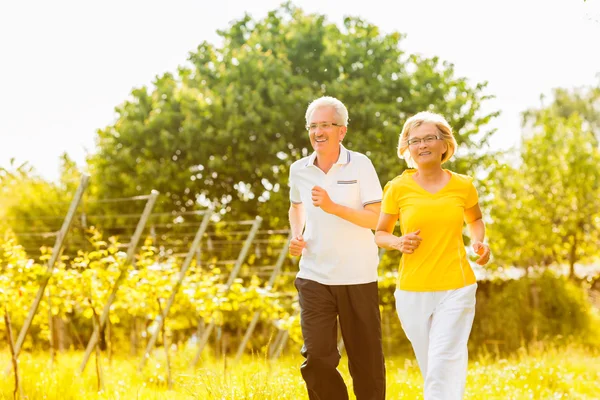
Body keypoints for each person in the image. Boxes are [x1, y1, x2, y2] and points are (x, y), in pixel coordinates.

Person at [374, 111, 491, 400]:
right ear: (408, 148)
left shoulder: (463, 185)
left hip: (457, 285)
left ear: (444, 145)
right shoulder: (397, 188)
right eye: (415, 140)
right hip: (412, 291)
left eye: (429, 138)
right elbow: (380, 233)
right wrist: (398, 242)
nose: (422, 145)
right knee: (432, 367)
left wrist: (479, 243)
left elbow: (475, 220)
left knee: (444, 361)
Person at [288, 96, 386, 400]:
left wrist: (333, 207)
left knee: (366, 363)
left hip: (358, 276)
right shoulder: (299, 169)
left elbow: (375, 218)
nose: (318, 132)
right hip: (315, 275)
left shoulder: (361, 164)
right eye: (313, 126)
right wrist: (296, 234)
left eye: (325, 125)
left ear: (341, 131)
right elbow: (296, 207)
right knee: (317, 358)